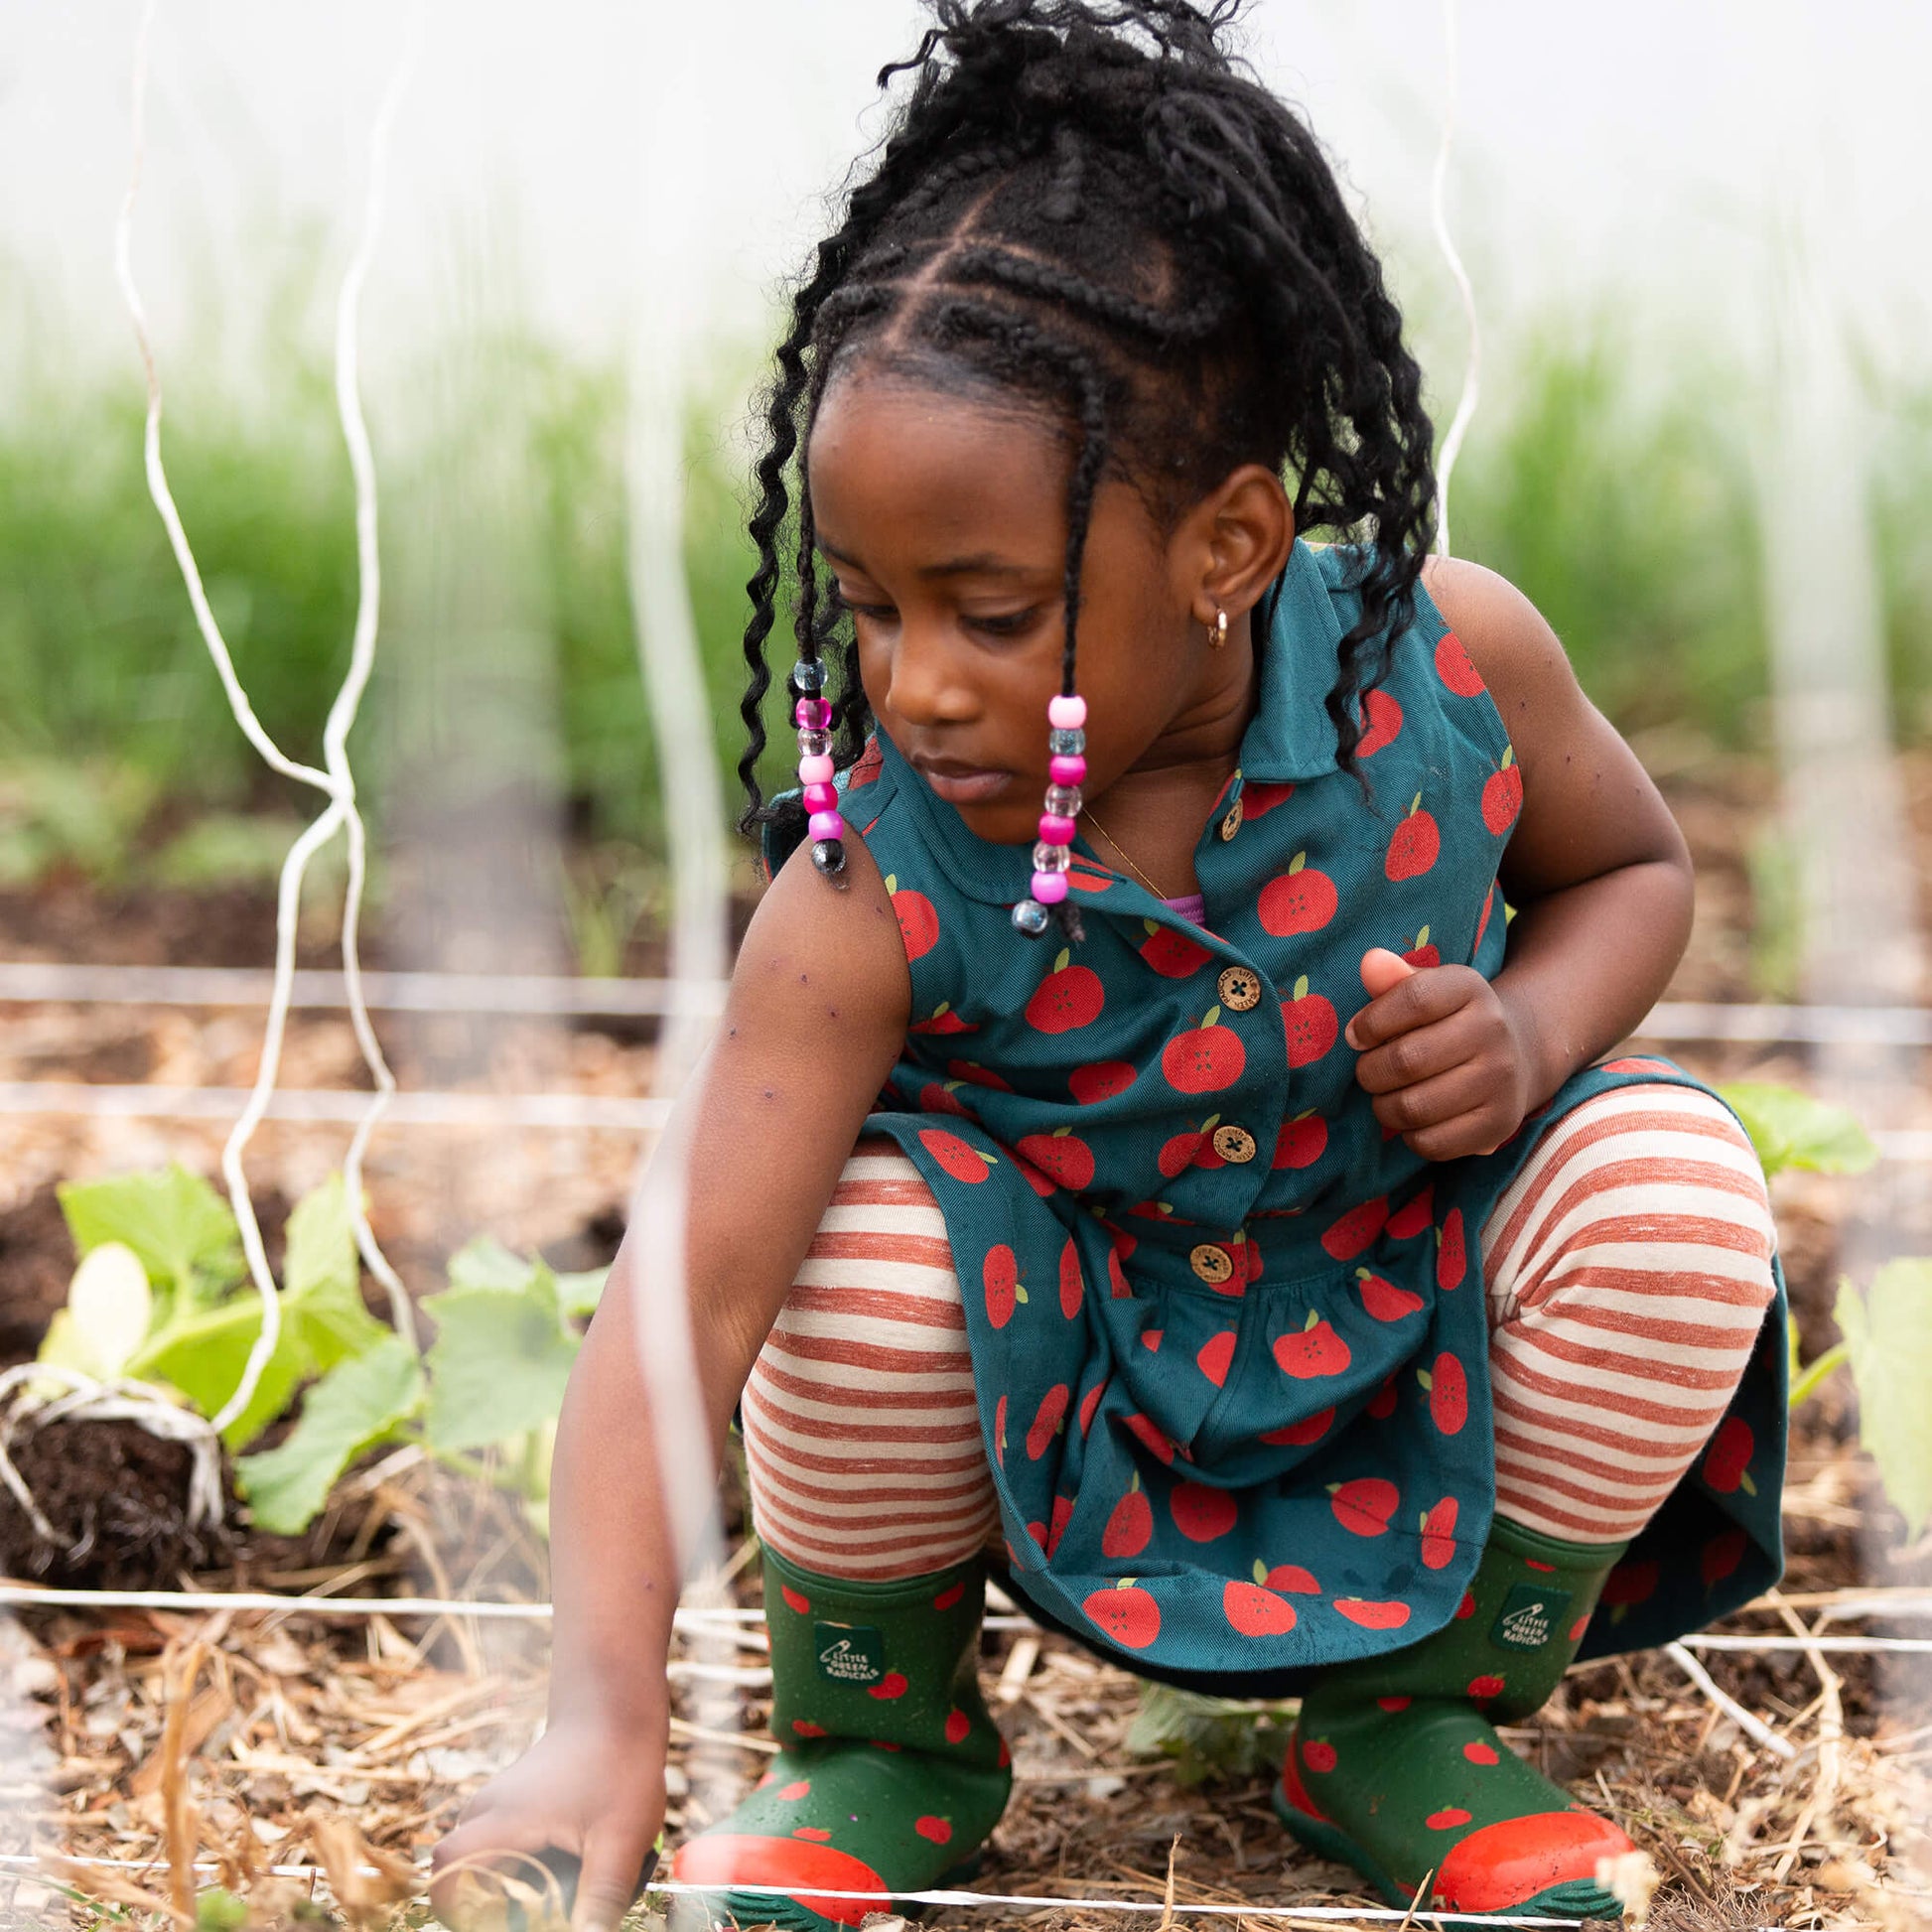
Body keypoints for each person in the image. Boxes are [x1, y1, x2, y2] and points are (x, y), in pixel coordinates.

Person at [433, 3, 1787, 1925]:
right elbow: (688, 1300)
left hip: (1404, 1330)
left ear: (1229, 544)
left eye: (989, 613)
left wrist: (1528, 1020)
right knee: (853, 1243)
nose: (914, 682)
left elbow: (1632, 868)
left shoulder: (1453, 666)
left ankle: (1410, 1720)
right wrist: (600, 1712)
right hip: (1060, 1394)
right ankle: (881, 1737)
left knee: (1671, 1188)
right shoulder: (871, 883)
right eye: (869, 608)